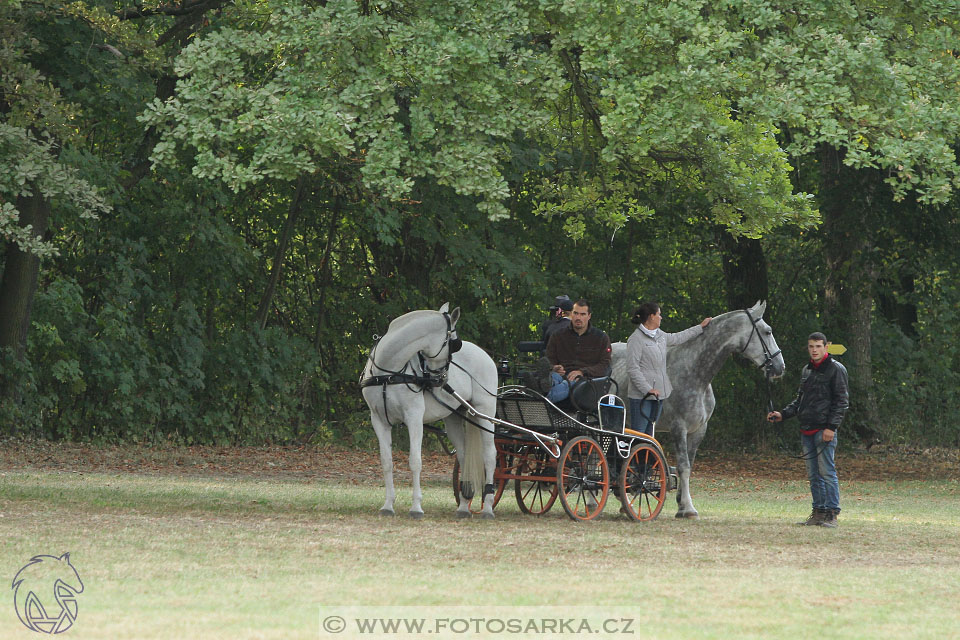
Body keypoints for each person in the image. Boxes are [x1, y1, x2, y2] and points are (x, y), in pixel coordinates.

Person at [767, 332, 849, 528]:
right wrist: (783, 414)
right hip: (807, 430)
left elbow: (842, 402)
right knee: (813, 474)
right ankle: (818, 511)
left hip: (824, 431)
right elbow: (800, 400)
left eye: (818, 346)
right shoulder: (807, 370)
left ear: (825, 348)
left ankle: (831, 513)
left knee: (827, 471)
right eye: (811, 346)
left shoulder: (836, 370)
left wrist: (831, 427)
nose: (814, 350)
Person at [626, 302, 712, 435]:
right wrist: (647, 390)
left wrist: (700, 327)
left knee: (650, 434)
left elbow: (678, 338)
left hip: (658, 395)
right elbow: (633, 369)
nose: (661, 317)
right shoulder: (636, 339)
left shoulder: (659, 335)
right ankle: (637, 456)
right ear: (651, 317)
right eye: (659, 314)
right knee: (639, 434)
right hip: (641, 397)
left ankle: (648, 456)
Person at [543, 299, 611, 403]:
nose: (578, 318)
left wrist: (582, 372)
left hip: (585, 380)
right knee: (553, 378)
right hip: (561, 375)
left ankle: (541, 400)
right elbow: (549, 359)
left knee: (568, 383)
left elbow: (605, 365)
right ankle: (541, 385)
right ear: (571, 314)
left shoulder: (601, 338)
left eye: (582, 314)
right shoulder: (558, 335)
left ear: (589, 316)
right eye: (575, 313)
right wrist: (554, 367)